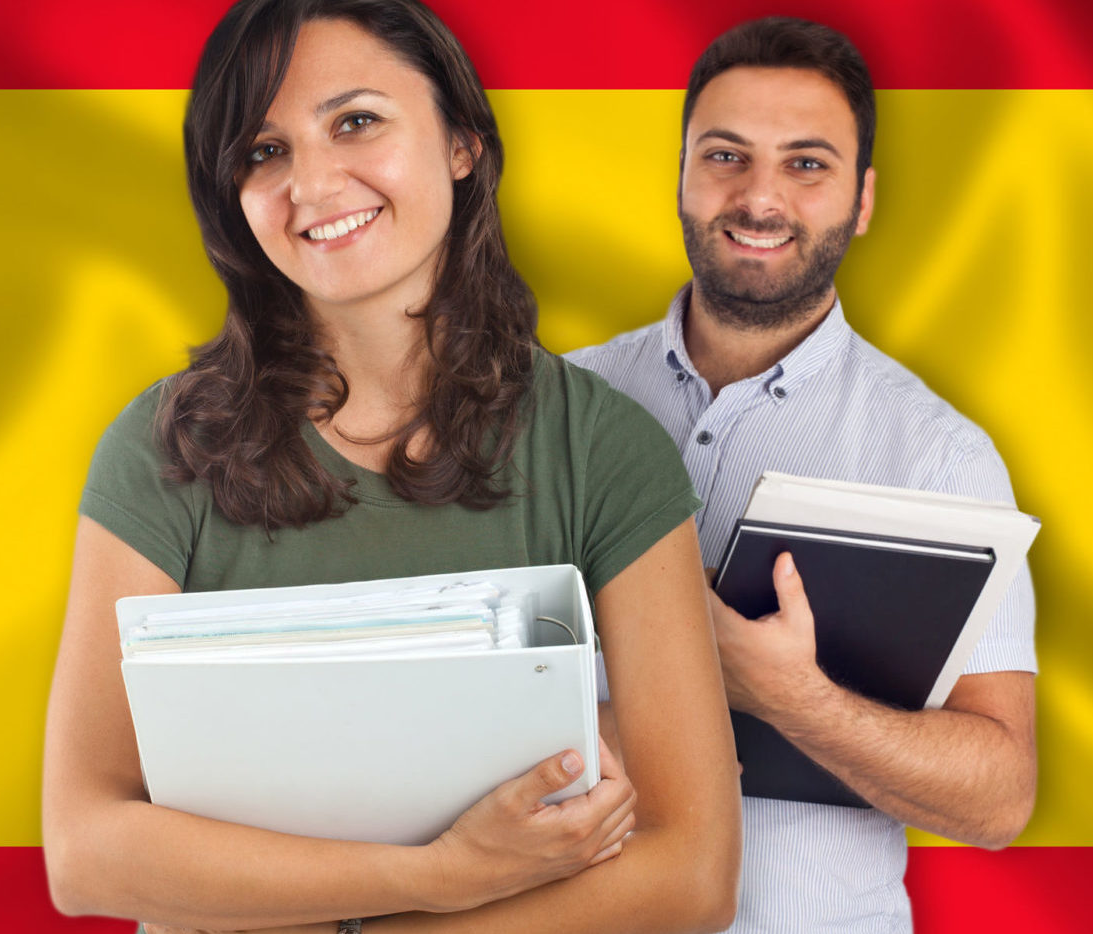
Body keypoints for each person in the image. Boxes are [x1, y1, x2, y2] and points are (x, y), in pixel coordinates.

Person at [42, 2, 740, 932]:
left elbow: (691, 872)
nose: (312, 182)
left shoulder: (603, 449)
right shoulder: (161, 450)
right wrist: (445, 877)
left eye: (355, 122)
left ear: (463, 142)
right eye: (263, 150)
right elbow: (87, 855)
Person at [566, 17, 1038, 933]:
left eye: (807, 164)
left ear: (863, 200)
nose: (760, 198)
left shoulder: (937, 457)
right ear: (681, 176)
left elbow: (999, 797)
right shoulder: (549, 407)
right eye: (727, 155)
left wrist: (792, 697)